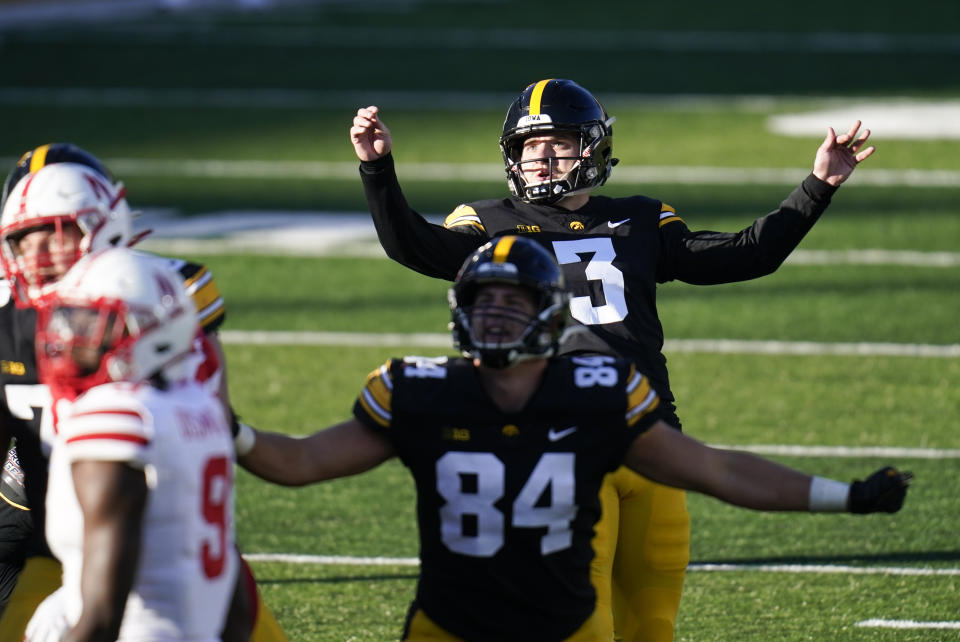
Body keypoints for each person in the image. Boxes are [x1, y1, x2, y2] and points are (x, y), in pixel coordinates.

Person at [350, 78, 876, 640]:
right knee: (585, 623)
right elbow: (415, 247)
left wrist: (818, 185)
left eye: (557, 142)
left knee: (652, 627)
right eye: (530, 146)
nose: (543, 157)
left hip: (650, 436)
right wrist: (378, 172)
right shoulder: (488, 221)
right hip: (564, 445)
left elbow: (748, 255)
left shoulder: (641, 218)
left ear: (593, 148)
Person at [233, 236, 911, 641]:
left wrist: (844, 497)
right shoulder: (418, 391)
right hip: (447, 629)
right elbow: (300, 461)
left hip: (568, 630)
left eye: (513, 301)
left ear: (550, 315)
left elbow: (718, 472)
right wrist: (226, 431)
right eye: (481, 301)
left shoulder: (597, 392)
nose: (494, 314)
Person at [0, 146, 287, 641]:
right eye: (25, 239)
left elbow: (206, 432)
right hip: (39, 526)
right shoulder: (10, 309)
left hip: (156, 527)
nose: (40, 255)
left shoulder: (157, 295)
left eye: (57, 234)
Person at [26, 247, 238, 641]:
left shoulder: (117, 417)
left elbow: (103, 618)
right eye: (67, 317)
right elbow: (237, 601)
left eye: (92, 321)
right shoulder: (200, 410)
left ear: (146, 330)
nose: (70, 336)